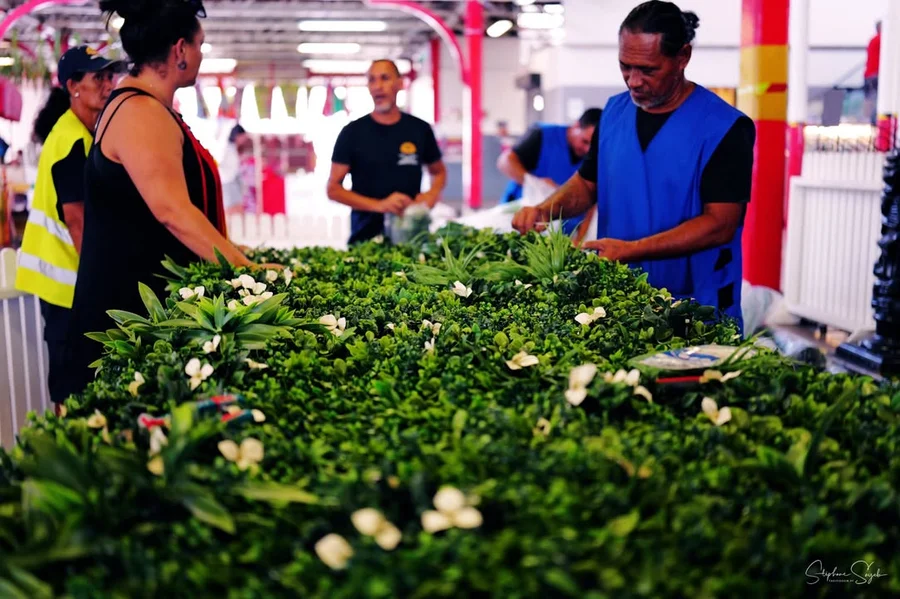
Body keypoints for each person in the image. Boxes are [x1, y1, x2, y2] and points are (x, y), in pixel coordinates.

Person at [61, 0, 276, 400]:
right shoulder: (139, 112)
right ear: (179, 50)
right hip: (128, 322)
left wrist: (233, 252)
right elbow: (172, 210)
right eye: (199, 47)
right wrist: (250, 271)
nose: (199, 56)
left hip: (142, 314)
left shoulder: (145, 106)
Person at [512, 0, 755, 331]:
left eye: (648, 70)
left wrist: (632, 250)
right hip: (626, 297)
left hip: (697, 304)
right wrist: (544, 210)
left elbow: (720, 224)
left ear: (683, 57)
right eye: (625, 66)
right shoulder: (613, 114)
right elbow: (586, 184)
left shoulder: (723, 128)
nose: (634, 81)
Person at [15, 46, 120, 404]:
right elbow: (78, 222)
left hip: (70, 284)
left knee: (79, 383)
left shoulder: (81, 133)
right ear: (73, 85)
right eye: (98, 78)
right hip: (68, 289)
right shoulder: (72, 141)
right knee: (73, 387)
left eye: (110, 76)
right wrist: (102, 287)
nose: (108, 85)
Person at [327, 59, 447, 244]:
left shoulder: (419, 129)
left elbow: (438, 172)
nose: (378, 86)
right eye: (372, 80)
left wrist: (430, 196)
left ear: (400, 84)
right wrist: (380, 205)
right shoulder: (352, 133)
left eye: (385, 78)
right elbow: (333, 189)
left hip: (412, 236)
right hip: (365, 239)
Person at [497, 108, 601, 235]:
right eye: (584, 141)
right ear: (576, 126)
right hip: (521, 221)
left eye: (592, 146)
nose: (587, 149)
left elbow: (592, 201)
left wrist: (579, 241)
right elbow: (504, 162)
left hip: (561, 233)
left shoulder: (596, 156)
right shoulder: (542, 135)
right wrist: (535, 183)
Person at [220, 123, 247, 215]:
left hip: (233, 180)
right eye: (242, 137)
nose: (243, 140)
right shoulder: (226, 149)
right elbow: (220, 162)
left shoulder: (233, 149)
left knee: (237, 208)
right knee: (232, 209)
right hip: (228, 181)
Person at [864, 21, 881, 126]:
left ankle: (873, 121)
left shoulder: (873, 40)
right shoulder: (882, 39)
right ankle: (876, 122)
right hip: (876, 74)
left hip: (869, 75)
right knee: (877, 99)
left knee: (872, 98)